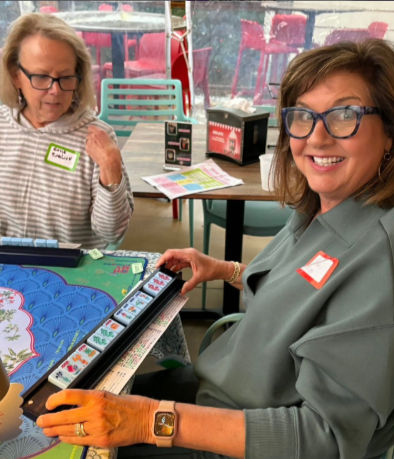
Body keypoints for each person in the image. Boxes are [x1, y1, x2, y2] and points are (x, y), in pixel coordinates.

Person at [36, 39, 394, 458]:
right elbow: (307, 293)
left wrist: (145, 421)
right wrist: (225, 269)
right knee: (69, 399)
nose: (316, 137)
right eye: (302, 116)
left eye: (344, 116)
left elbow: (325, 439)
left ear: (389, 130)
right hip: (220, 387)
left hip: (243, 434)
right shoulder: (324, 206)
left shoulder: (381, 261)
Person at [0, 13, 133, 249]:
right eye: (41, 77)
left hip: (72, 272)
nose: (55, 90)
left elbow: (111, 233)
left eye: (65, 78)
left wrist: (111, 168)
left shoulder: (97, 137)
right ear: (15, 75)